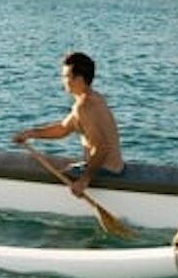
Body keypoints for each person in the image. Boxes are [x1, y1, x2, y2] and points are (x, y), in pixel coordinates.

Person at [11, 51, 124, 196]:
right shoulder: (93, 98)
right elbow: (63, 129)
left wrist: (84, 180)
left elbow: (102, 148)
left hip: (107, 171)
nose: (62, 81)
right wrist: (30, 134)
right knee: (66, 167)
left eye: (66, 76)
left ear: (79, 78)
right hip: (113, 167)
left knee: (60, 174)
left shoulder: (85, 107)